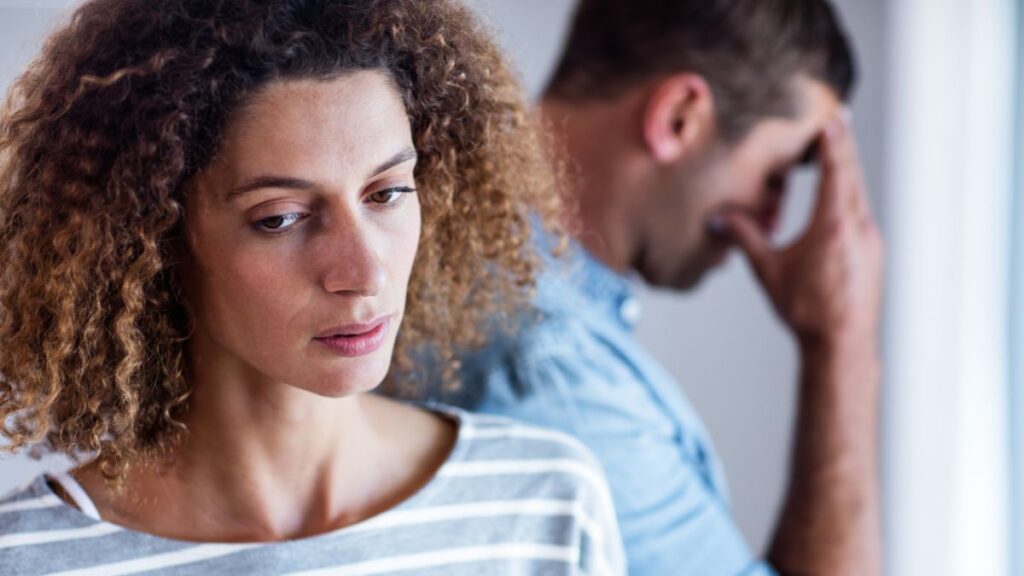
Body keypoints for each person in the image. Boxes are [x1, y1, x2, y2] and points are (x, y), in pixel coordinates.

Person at [0, 1, 625, 574]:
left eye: (387, 194)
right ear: (153, 235)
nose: (365, 272)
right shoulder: (29, 557)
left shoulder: (543, 503)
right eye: (280, 217)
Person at [409, 1, 884, 574]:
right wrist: (841, 341)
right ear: (678, 117)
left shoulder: (450, 246)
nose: (773, 223)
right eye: (775, 175)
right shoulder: (555, 373)